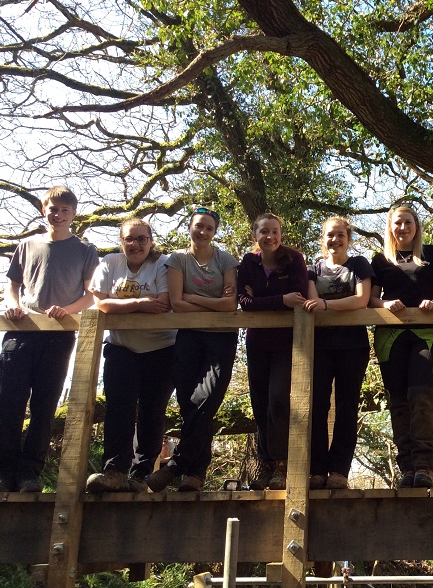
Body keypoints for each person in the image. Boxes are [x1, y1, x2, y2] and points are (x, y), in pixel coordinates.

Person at [0, 186, 98, 493]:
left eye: (64, 210)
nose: (57, 215)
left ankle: (30, 473)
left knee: (44, 405)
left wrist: (66, 310)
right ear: (45, 210)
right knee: (9, 403)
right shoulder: (27, 245)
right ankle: (4, 471)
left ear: (73, 214)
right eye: (53, 209)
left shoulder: (85, 250)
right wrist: (11, 304)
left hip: (58, 336)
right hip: (21, 332)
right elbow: (12, 287)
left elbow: (91, 295)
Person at [146, 207, 238, 492]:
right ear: (190, 227)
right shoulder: (178, 260)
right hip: (188, 338)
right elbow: (176, 302)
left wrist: (192, 297)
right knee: (190, 405)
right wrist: (208, 301)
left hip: (221, 338)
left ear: (214, 232)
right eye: (199, 226)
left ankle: (176, 465)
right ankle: (195, 475)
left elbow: (230, 304)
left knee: (207, 399)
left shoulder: (226, 260)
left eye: (209, 228)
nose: (203, 232)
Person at [85, 218, 177, 493]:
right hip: (122, 347)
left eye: (141, 239)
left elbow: (162, 303)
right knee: (119, 409)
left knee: (152, 411)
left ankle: (140, 475)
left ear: (151, 241)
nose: (135, 244)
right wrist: (138, 303)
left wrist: (120, 306)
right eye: (129, 239)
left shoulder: (164, 264)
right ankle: (114, 471)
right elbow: (101, 302)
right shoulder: (110, 263)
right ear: (121, 241)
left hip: (162, 348)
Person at [370, 205, 433, 488]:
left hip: (427, 333)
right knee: (399, 400)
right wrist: (384, 304)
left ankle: (425, 465)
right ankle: (406, 467)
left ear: (416, 226)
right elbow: (371, 298)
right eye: (397, 223)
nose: (402, 228)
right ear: (390, 228)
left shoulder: (432, 254)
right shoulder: (380, 260)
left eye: (407, 222)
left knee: (422, 394)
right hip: (390, 337)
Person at [237, 213, 308, 490]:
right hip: (256, 343)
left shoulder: (294, 260)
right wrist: (280, 299)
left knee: (278, 399)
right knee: (259, 403)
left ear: (281, 234)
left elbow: (298, 296)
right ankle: (265, 462)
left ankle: (281, 463)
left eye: (275, 231)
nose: (270, 237)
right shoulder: (248, 262)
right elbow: (244, 302)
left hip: (286, 343)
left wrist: (263, 299)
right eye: (264, 231)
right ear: (255, 235)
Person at [304, 217, 374, 490]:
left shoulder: (359, 264)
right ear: (323, 238)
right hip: (319, 346)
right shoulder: (313, 269)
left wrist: (325, 304)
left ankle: (339, 471)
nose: (335, 240)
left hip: (352, 346)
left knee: (347, 406)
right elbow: (312, 302)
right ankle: (317, 470)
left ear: (349, 238)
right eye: (330, 235)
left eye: (340, 235)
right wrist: (323, 304)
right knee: (317, 406)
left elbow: (361, 300)